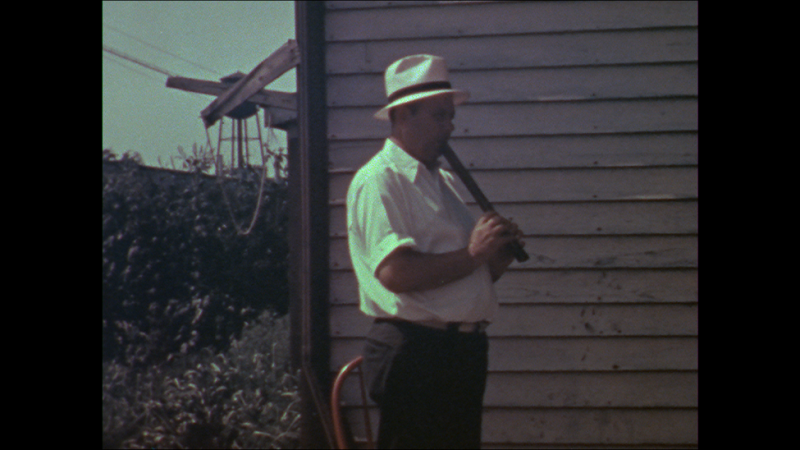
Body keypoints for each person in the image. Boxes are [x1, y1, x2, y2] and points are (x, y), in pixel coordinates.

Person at [346, 54, 525, 449]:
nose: (451, 126)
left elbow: (458, 272)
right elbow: (396, 274)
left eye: (450, 116)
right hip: (416, 354)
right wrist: (474, 255)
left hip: (459, 353)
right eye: (440, 116)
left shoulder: (439, 179)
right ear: (405, 115)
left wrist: (494, 257)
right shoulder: (380, 180)